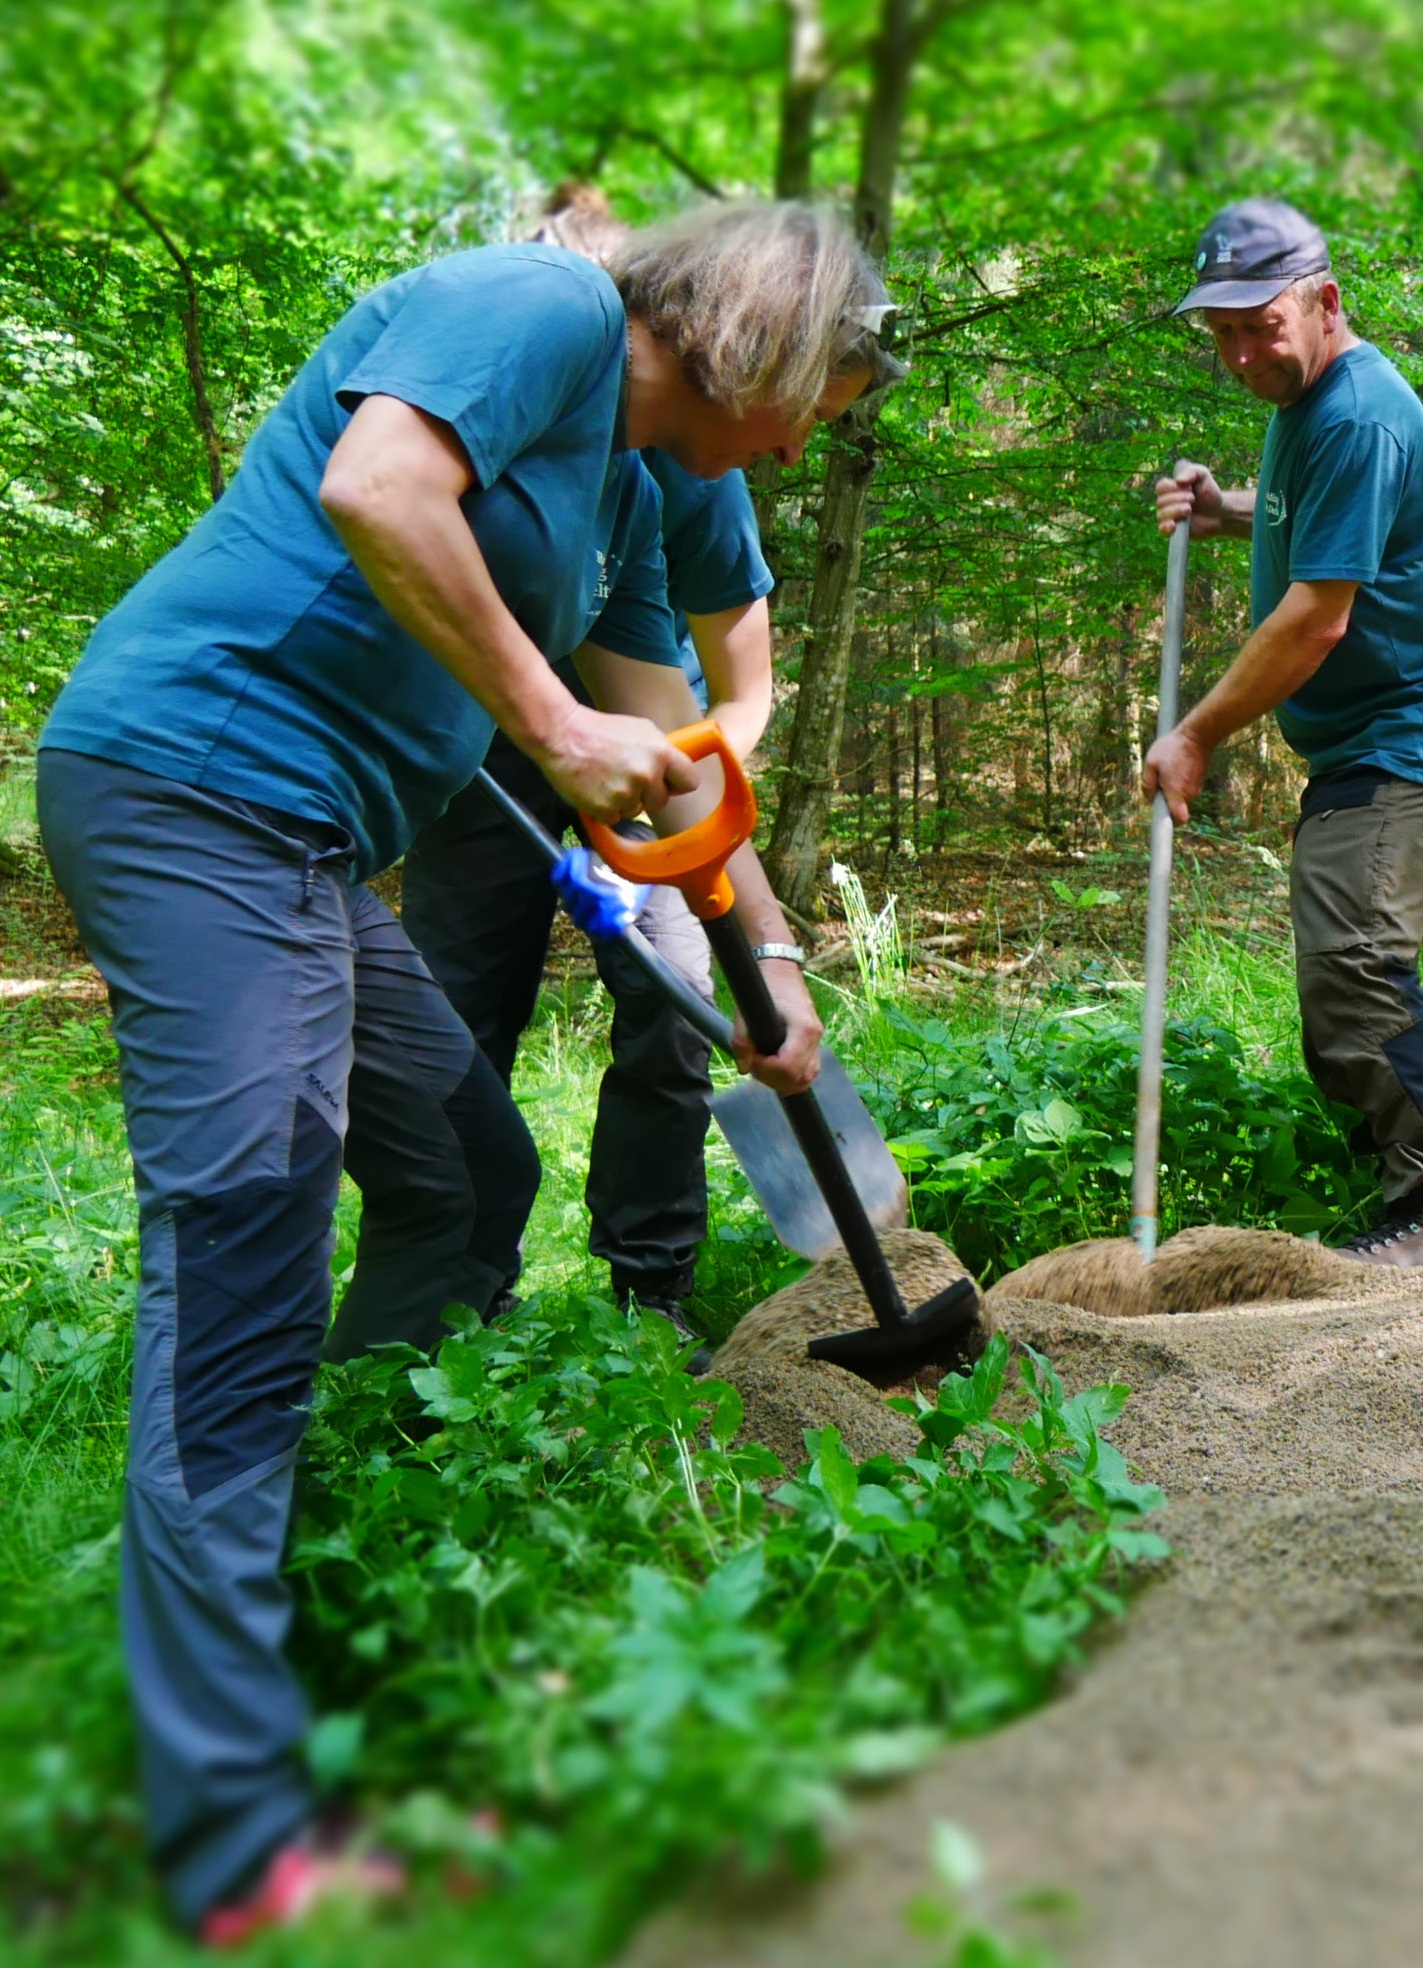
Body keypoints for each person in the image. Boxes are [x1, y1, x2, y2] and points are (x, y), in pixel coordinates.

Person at [36, 199, 891, 1940]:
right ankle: (234, 1844)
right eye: (818, 401)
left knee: (468, 1175)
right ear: (758, 341)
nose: (808, 443)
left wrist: (767, 965)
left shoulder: (623, 485)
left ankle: (317, 1500)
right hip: (199, 786)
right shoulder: (539, 310)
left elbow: (680, 778)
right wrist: (552, 720)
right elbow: (376, 491)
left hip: (304, 849)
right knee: (240, 1253)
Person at [400, 186, 788, 1336]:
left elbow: (736, 688)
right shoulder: (489, 407)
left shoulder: (693, 466)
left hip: (650, 760)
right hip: (487, 747)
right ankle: (461, 1300)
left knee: (676, 1005)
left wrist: (701, 813)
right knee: (458, 1013)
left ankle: (650, 1288)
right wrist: (551, 734)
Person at [1150, 198, 1423, 1267]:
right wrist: (1228, 512)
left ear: (1324, 302)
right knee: (1338, 972)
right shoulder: (1309, 404)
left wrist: (1197, 732)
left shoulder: (1353, 411)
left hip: (1411, 728)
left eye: (1261, 324)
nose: (1243, 351)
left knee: (1355, 960)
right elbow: (1326, 515)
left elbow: (1317, 615)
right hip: (1367, 738)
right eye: (1222, 334)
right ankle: (1413, 1201)